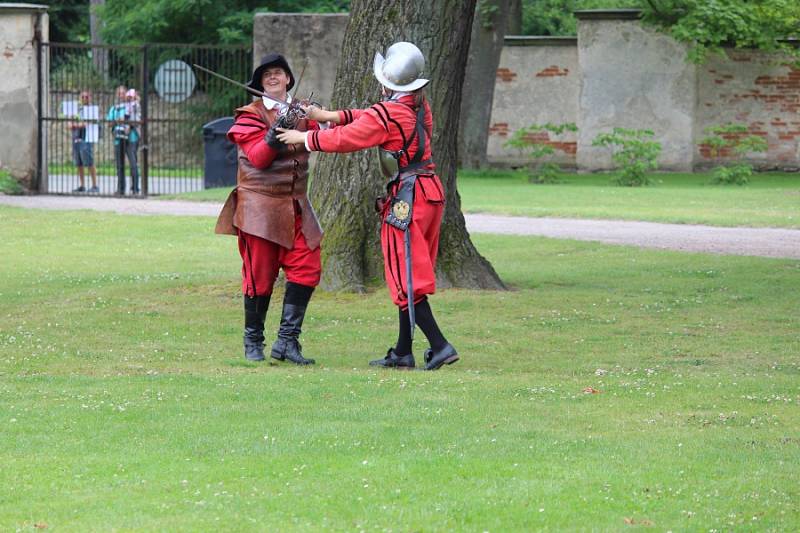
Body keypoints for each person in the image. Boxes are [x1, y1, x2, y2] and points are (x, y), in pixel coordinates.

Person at [277, 42, 458, 371]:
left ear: (389, 82)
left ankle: (441, 345)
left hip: (409, 198)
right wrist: (328, 116)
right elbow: (368, 119)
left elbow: (349, 138)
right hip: (429, 193)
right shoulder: (416, 106)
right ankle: (403, 352)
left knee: (405, 278)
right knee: (407, 276)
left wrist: (304, 138)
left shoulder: (389, 113)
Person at [215, 53, 324, 365]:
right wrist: (278, 127)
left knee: (307, 268)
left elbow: (325, 136)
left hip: (297, 206)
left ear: (288, 78)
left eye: (278, 73)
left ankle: (287, 343)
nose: (273, 78)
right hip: (259, 210)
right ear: (260, 84)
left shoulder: (304, 109)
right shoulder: (248, 116)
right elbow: (260, 158)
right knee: (259, 279)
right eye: (266, 76)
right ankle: (254, 340)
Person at [106, 85, 141, 195]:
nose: (121, 95)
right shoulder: (114, 108)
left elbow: (138, 121)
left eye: (123, 93)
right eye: (119, 93)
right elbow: (109, 123)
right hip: (118, 138)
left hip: (131, 138)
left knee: (133, 164)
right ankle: (121, 189)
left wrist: (127, 123)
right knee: (119, 165)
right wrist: (118, 121)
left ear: (127, 94)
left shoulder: (133, 106)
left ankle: (135, 189)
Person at [69, 90, 99, 193]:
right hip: (76, 137)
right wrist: (73, 124)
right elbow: (69, 123)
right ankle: (82, 185)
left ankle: (95, 185)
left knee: (89, 162)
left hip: (87, 138)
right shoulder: (76, 109)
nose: (84, 99)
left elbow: (88, 123)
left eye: (86, 97)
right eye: (82, 97)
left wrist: (76, 125)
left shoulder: (92, 109)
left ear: (90, 98)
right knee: (79, 163)